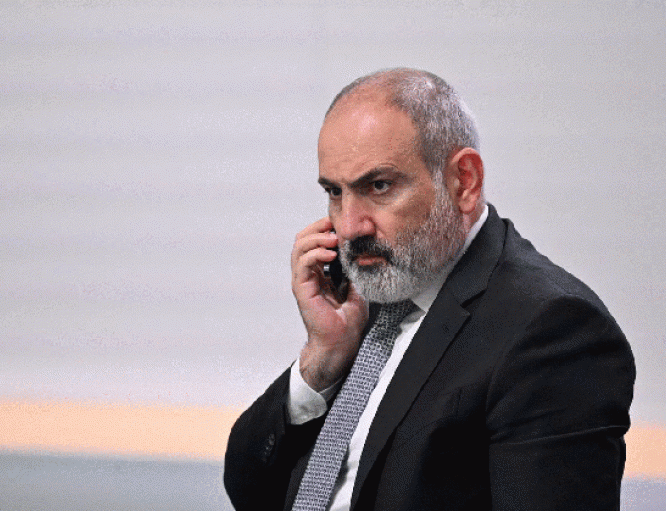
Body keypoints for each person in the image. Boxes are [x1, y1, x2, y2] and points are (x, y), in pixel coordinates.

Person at [223, 68, 635, 511]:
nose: (349, 227)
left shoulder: (552, 331)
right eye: (335, 193)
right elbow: (250, 492)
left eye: (379, 186)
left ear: (464, 181)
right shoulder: (366, 297)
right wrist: (320, 365)